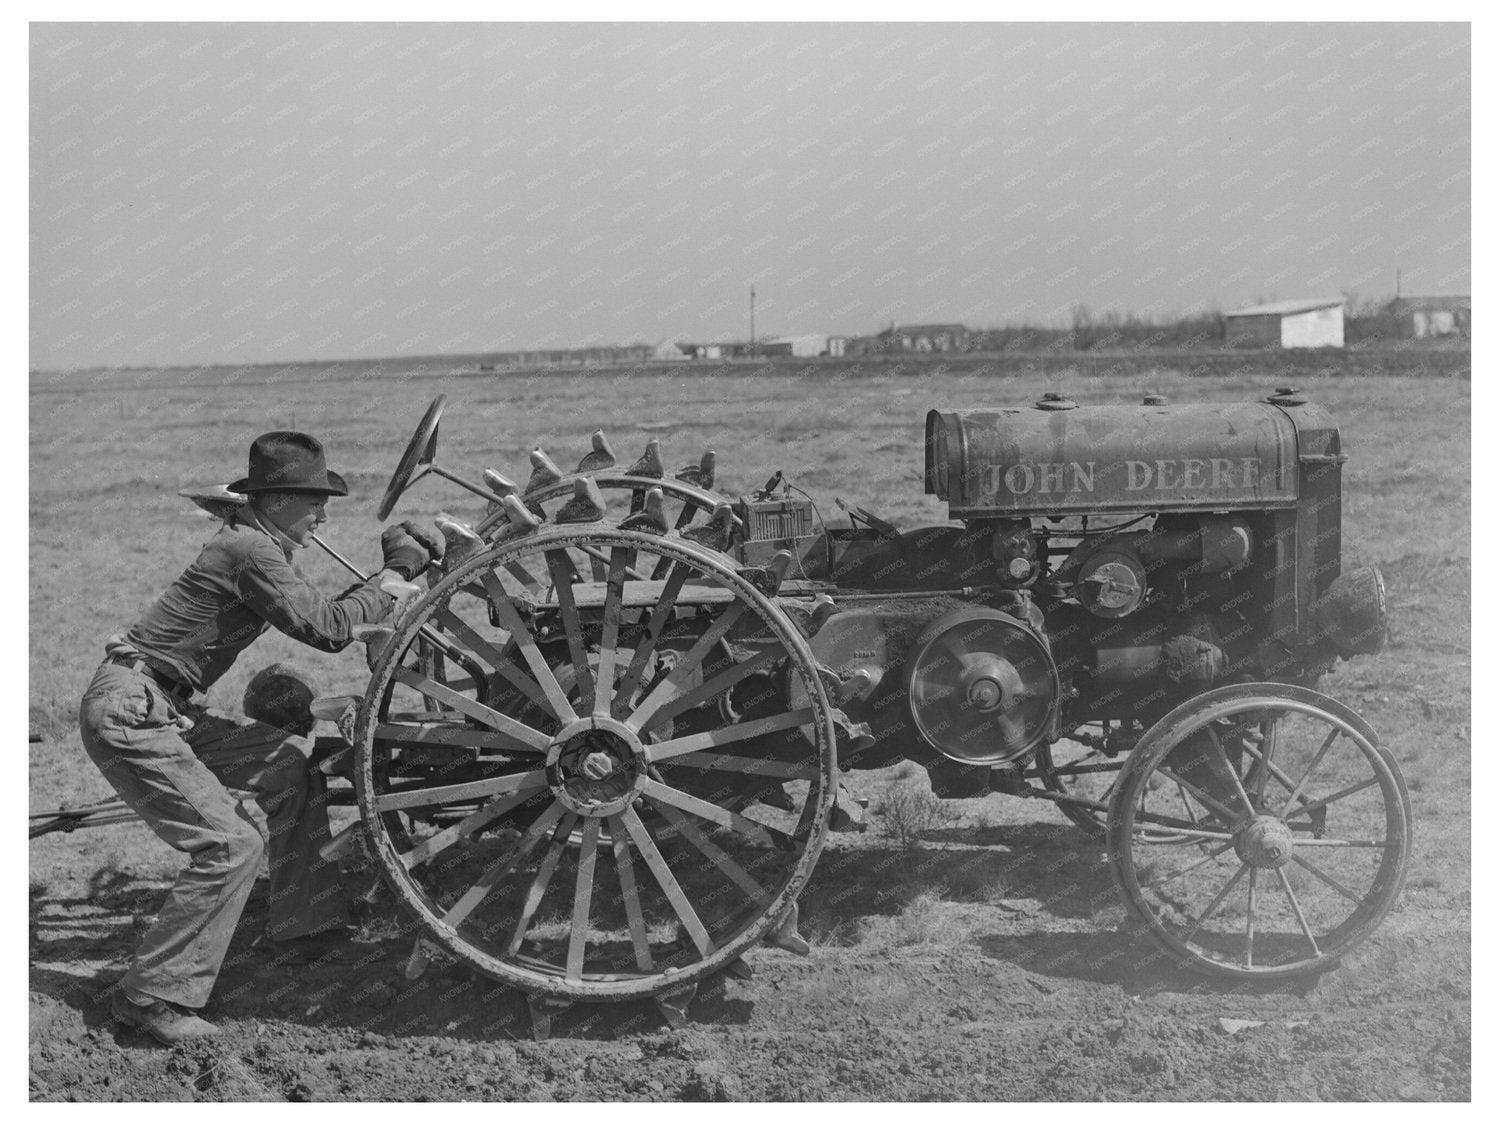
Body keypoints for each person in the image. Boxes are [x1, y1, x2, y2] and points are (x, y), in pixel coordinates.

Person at [78, 431, 440, 1044]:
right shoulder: (248, 550)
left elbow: (328, 613)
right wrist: (397, 572)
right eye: (314, 503)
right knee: (229, 845)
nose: (323, 515)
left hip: (163, 703)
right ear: (275, 503)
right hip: (131, 711)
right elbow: (327, 629)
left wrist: (385, 583)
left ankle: (306, 927)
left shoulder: (254, 544)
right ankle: (149, 995)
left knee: (289, 770)